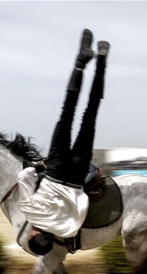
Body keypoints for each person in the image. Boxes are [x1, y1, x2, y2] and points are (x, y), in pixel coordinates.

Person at [17, 28, 109, 256]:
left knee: (91, 115)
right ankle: (80, 63)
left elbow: (83, 205)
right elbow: (24, 176)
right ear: (36, 235)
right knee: (67, 112)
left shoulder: (69, 228)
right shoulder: (31, 212)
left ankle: (101, 63)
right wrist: (40, 167)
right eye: (31, 236)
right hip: (55, 168)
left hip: (77, 173)